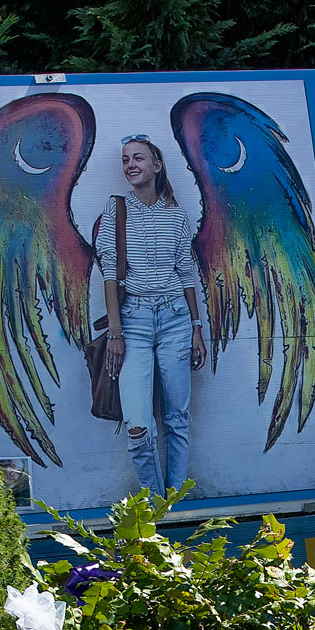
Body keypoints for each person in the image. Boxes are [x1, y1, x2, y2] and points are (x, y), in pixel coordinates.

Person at [91, 134, 204, 495]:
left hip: (176, 320)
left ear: (156, 165)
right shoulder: (116, 209)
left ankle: (176, 503)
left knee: (177, 419)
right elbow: (109, 271)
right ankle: (155, 507)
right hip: (133, 321)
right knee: (138, 425)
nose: (131, 165)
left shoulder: (177, 215)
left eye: (138, 158)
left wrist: (197, 327)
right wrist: (115, 332)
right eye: (125, 160)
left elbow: (186, 272)